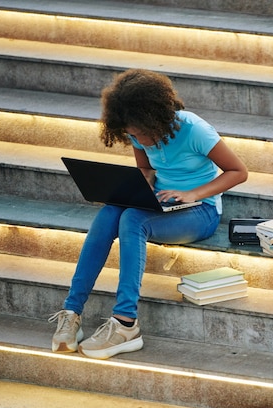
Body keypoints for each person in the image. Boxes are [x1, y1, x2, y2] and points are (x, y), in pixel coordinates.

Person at [49, 68, 248, 360]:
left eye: (143, 133)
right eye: (132, 135)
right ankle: (72, 311)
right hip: (160, 204)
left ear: (157, 117)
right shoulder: (138, 130)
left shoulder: (194, 129)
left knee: (132, 219)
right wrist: (137, 187)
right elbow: (146, 169)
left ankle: (126, 323)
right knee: (110, 212)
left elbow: (238, 172)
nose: (140, 139)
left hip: (200, 211)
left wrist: (193, 194)